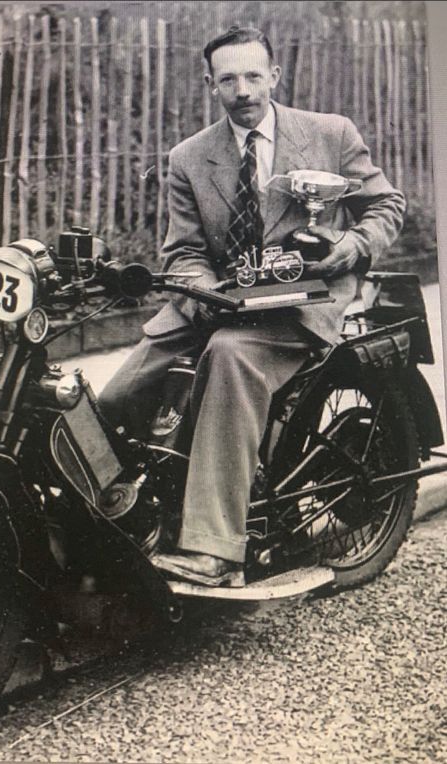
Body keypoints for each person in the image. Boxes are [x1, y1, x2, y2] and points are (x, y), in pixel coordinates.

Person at [98, 25, 405, 587]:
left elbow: (385, 204)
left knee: (230, 360)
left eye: (254, 76)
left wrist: (350, 248)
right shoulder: (189, 157)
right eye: (229, 79)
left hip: (300, 301)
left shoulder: (329, 133)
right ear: (211, 84)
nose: (243, 90)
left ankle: (213, 549)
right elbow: (185, 251)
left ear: (275, 77)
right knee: (118, 396)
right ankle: (127, 527)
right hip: (214, 304)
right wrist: (204, 292)